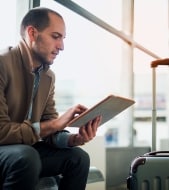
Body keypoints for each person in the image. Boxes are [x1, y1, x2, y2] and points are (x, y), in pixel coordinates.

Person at [0, 7, 102, 190]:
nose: (61, 46)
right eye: (56, 36)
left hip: (24, 149)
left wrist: (73, 139)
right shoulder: (2, 65)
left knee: (78, 158)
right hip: (7, 149)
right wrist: (56, 124)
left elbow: (48, 128)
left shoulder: (47, 77)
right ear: (32, 33)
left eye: (63, 38)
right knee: (26, 157)